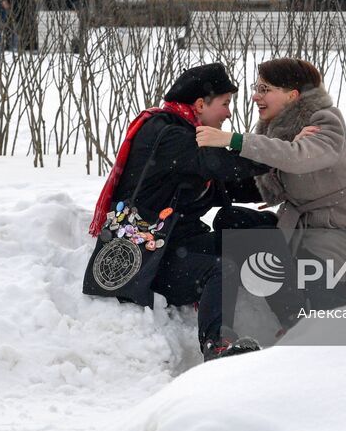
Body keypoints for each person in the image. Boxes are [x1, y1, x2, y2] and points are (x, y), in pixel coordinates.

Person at [84, 63, 269, 361]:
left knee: (244, 230)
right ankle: (217, 346)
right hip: (147, 261)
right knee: (221, 269)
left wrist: (284, 186)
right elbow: (219, 164)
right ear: (199, 104)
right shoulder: (167, 135)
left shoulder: (185, 135)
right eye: (225, 104)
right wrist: (280, 155)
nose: (228, 113)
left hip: (176, 245)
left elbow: (224, 185)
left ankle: (295, 319)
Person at [196, 58, 346, 328]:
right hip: (298, 237)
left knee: (326, 304)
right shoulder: (281, 133)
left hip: (339, 240)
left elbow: (300, 157)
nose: (256, 96)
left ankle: (301, 324)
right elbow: (268, 185)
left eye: (265, 89)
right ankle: (289, 312)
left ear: (292, 94)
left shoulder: (325, 121)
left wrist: (233, 140)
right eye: (256, 88)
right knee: (231, 220)